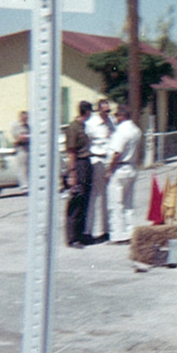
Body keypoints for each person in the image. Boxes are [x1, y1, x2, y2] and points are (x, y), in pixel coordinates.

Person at [104, 105, 142, 245]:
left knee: (115, 203)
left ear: (121, 116)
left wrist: (109, 170)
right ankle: (129, 232)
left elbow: (117, 152)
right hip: (131, 167)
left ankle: (117, 235)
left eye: (116, 115)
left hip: (119, 168)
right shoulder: (135, 130)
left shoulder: (121, 131)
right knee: (128, 203)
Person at [83, 99, 115, 243]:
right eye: (105, 111)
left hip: (109, 161)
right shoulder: (91, 124)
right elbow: (86, 143)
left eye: (109, 110)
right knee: (96, 197)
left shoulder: (111, 122)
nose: (107, 113)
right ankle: (91, 231)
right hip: (97, 160)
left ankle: (106, 230)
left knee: (108, 197)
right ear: (99, 110)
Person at [65, 101, 94, 248]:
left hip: (86, 163)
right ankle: (72, 238)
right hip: (78, 164)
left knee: (85, 201)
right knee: (76, 201)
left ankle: (80, 234)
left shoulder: (83, 126)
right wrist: (72, 173)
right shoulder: (73, 127)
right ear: (87, 112)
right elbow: (71, 152)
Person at [11, 110, 30, 193]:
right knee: (22, 168)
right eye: (25, 118)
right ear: (21, 117)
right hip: (21, 148)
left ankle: (30, 184)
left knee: (29, 168)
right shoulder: (16, 126)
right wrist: (28, 136)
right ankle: (24, 186)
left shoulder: (28, 126)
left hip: (29, 147)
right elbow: (20, 137)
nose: (26, 119)